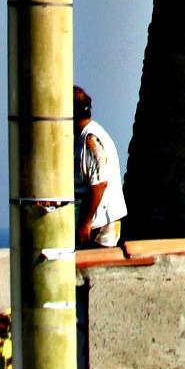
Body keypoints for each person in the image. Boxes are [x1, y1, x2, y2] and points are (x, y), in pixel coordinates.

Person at [74, 86, 127, 250]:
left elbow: (99, 184)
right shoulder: (90, 134)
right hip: (99, 221)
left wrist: (86, 222)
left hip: (100, 223)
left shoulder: (91, 139)